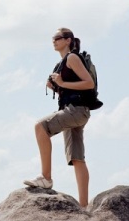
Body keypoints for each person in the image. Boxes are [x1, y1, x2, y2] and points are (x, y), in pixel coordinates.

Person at [23, 27, 94, 208]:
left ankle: (46, 178)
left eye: (58, 38)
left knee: (40, 127)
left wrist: (61, 82)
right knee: (77, 158)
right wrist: (55, 87)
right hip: (76, 111)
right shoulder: (62, 63)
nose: (54, 41)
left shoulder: (72, 57)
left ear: (68, 40)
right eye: (53, 38)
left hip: (76, 111)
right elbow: (70, 88)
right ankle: (84, 207)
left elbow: (89, 83)